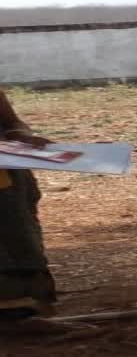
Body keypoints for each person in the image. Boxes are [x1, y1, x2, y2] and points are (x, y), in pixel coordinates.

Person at [0, 90, 57, 323]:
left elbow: (12, 122)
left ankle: (22, 303)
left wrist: (21, 135)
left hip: (7, 181)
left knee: (18, 237)